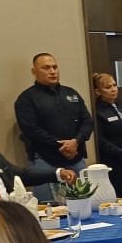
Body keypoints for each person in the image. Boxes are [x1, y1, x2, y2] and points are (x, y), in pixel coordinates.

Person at [14, 53, 93, 202]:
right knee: (49, 207)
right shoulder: (26, 99)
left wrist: (76, 142)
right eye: (46, 68)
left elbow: (87, 122)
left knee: (85, 202)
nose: (52, 71)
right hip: (45, 161)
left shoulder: (71, 94)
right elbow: (30, 129)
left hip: (75, 158)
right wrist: (62, 146)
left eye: (55, 67)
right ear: (34, 71)